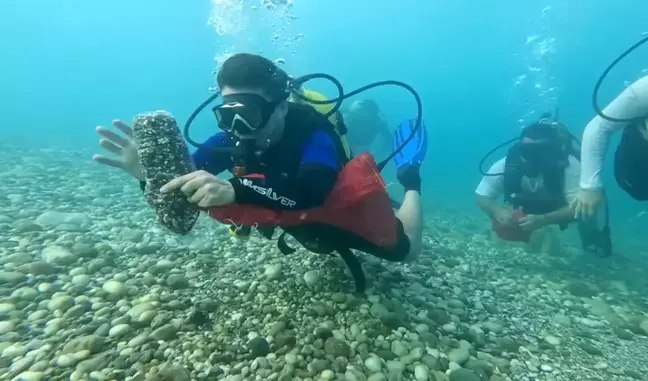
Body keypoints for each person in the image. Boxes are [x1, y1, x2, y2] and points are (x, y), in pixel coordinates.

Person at [93, 53, 426, 291]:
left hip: (335, 206)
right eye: (227, 113)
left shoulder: (313, 132)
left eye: (247, 112)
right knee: (318, 245)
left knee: (405, 253)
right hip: (288, 212)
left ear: (281, 106)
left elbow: (313, 191)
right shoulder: (230, 138)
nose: (237, 126)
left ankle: (411, 179)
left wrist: (236, 191)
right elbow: (183, 189)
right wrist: (148, 176)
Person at [476, 119, 580, 242]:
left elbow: (579, 208)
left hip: (556, 210)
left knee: (587, 216)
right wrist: (497, 210)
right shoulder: (507, 164)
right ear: (520, 148)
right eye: (527, 151)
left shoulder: (569, 166)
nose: (532, 157)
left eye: (539, 151)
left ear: (552, 150)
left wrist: (545, 219)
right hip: (528, 211)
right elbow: (482, 196)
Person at [572, 75, 648, 219]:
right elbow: (599, 127)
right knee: (639, 190)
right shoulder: (645, 90)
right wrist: (589, 186)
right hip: (638, 171)